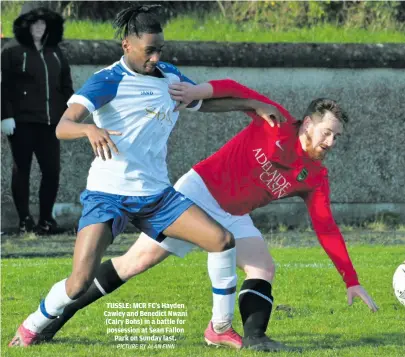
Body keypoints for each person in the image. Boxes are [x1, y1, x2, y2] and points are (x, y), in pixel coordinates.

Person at [8, 6, 285, 348]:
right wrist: (88, 129)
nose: (155, 57)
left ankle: (219, 328)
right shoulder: (108, 80)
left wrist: (250, 105)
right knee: (78, 282)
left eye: (160, 50)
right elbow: (64, 126)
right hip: (107, 195)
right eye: (148, 51)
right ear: (127, 46)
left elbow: (200, 103)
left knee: (222, 241)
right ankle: (31, 326)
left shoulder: (170, 76)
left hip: (157, 197)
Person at [34, 79, 379, 352]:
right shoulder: (273, 120)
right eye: (327, 132)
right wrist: (197, 91)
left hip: (234, 214)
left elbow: (326, 227)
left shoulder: (316, 177)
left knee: (263, 267)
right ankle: (59, 315)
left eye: (337, 136)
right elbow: (236, 89)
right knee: (133, 264)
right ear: (307, 125)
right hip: (195, 195)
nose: (331, 142)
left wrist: (351, 279)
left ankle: (256, 338)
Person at [1, 7, 74, 234]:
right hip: (21, 123)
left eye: (43, 25)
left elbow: (66, 86)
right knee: (22, 169)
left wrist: (70, 113)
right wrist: (5, 115)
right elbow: (3, 86)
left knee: (52, 171)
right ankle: (24, 220)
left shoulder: (55, 53)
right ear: (27, 27)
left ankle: (46, 220)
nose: (39, 29)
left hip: (51, 123)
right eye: (35, 25)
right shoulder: (12, 52)